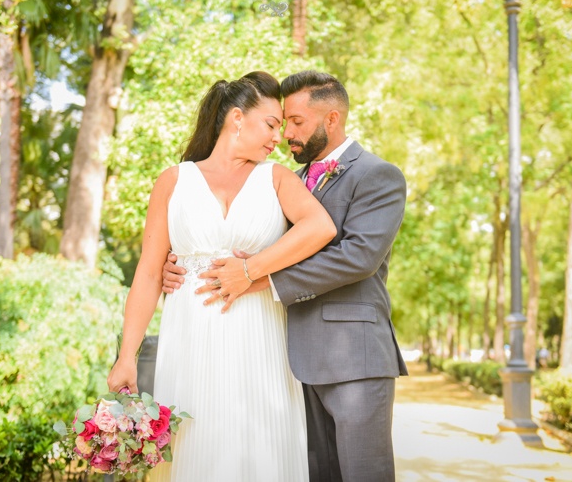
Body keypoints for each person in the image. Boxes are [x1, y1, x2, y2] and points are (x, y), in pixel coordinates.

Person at [164, 71, 409, 482]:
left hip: (354, 357)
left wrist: (259, 277)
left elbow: (358, 257)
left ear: (331, 119)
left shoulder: (378, 175)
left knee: (364, 474)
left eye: (295, 121)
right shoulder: (283, 182)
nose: (286, 134)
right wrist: (178, 262)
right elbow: (253, 242)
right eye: (281, 122)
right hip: (287, 359)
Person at [107, 71, 336, 481]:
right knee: (196, 448)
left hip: (260, 340)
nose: (277, 138)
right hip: (190, 341)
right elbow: (147, 272)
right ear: (236, 118)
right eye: (270, 124)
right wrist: (127, 355)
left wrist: (252, 269)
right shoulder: (174, 181)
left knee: (261, 451)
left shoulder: (276, 178)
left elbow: (319, 228)